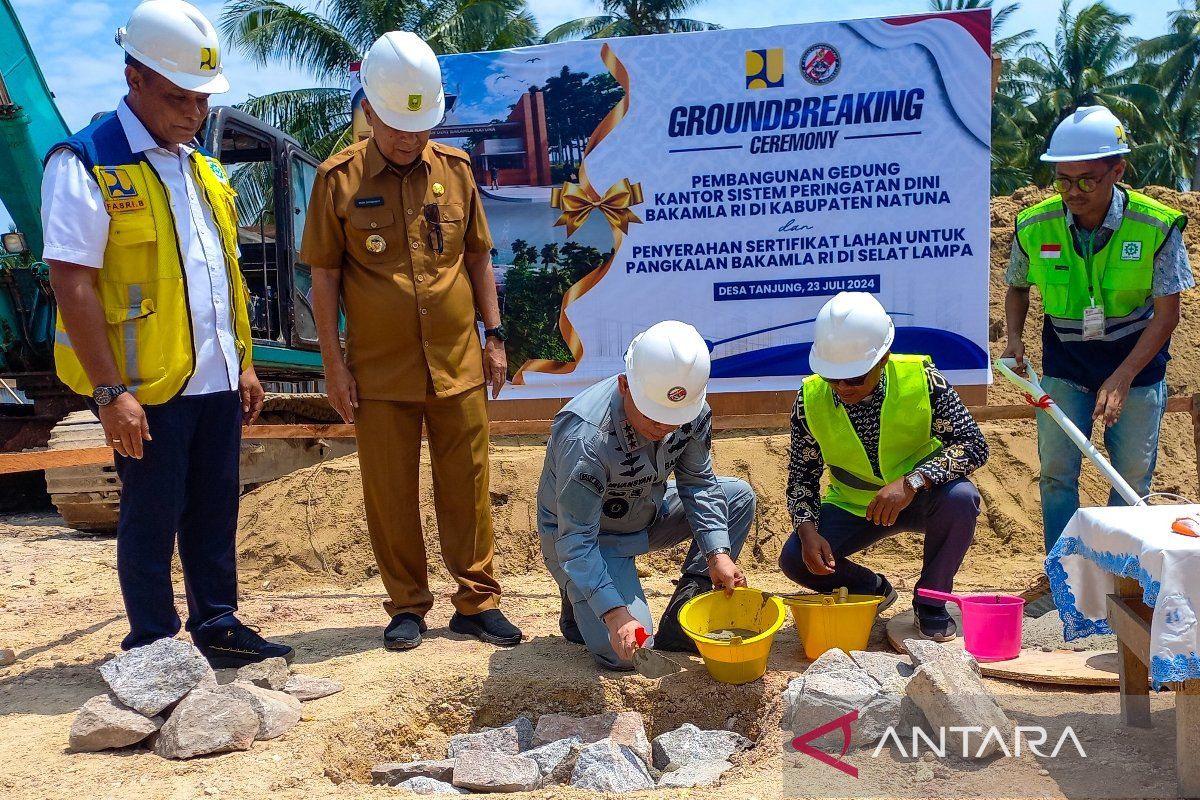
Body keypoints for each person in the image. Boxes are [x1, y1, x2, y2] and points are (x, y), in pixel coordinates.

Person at [44, 0, 292, 665]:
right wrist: (109, 391)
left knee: (214, 510)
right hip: (145, 384)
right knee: (151, 518)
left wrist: (243, 362)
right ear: (135, 80)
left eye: (204, 100)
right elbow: (71, 283)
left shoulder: (200, 168)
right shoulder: (86, 163)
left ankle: (218, 625)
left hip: (214, 375)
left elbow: (222, 277)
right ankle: (152, 641)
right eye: (181, 97)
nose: (195, 113)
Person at [300, 31, 521, 650]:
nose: (407, 137)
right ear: (369, 110)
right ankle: (406, 605)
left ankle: (477, 601)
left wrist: (495, 337)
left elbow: (478, 260)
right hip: (378, 371)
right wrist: (333, 366)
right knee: (390, 491)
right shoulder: (336, 180)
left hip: (457, 362)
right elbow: (324, 279)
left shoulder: (455, 171)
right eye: (396, 125)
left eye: (418, 126)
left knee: (468, 484)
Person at [1003, 106, 1193, 613]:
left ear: (1118, 171)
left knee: (1130, 477)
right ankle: (1063, 574)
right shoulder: (1033, 223)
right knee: (1057, 472)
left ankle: (1114, 577)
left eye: (1087, 179)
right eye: (1063, 179)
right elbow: (1017, 285)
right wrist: (1015, 337)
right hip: (1066, 359)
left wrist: (1124, 375)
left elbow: (1168, 312)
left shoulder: (1157, 225)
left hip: (1137, 360)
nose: (1072, 191)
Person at [537, 321, 755, 670]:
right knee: (625, 652)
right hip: (585, 538)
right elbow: (575, 539)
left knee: (737, 497)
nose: (665, 428)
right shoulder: (586, 438)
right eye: (654, 417)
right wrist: (614, 613)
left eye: (675, 418)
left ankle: (685, 613)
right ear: (625, 386)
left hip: (645, 508)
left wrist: (716, 554)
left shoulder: (690, 407)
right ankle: (580, 595)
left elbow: (698, 482)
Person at [779, 293, 989, 642]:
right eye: (833, 378)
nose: (843, 388)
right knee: (795, 559)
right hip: (852, 506)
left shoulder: (922, 378)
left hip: (923, 497)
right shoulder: (809, 399)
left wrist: (912, 482)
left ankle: (931, 601)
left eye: (855, 379)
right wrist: (806, 529)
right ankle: (871, 589)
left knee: (962, 498)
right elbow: (802, 475)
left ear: (883, 358)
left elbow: (973, 445)